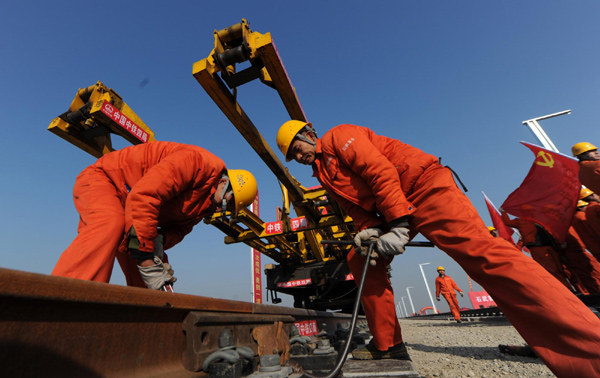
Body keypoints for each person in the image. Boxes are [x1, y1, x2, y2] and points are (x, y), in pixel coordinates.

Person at [276, 120, 600, 377]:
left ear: (309, 133)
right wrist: (369, 230)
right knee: (360, 260)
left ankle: (590, 347)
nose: (298, 156)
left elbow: (380, 171)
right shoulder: (323, 173)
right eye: (292, 156)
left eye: (297, 147)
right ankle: (388, 345)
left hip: (426, 188)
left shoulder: (339, 137)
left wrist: (399, 225)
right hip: (395, 207)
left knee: (485, 256)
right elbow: (355, 207)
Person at [52, 141, 257, 291]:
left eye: (229, 208)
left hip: (131, 208)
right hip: (105, 180)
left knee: (151, 267)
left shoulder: (207, 203)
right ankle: (63, 297)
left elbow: (181, 228)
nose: (224, 209)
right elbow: (143, 196)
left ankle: (146, 320)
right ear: (223, 183)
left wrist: (161, 240)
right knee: (111, 225)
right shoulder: (197, 163)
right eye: (228, 203)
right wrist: (145, 256)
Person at [499, 210, 572, 290]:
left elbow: (508, 222)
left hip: (540, 248)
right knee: (559, 268)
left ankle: (566, 290)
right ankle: (569, 289)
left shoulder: (521, 221)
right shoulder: (541, 220)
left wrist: (503, 213)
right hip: (551, 247)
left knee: (551, 269)